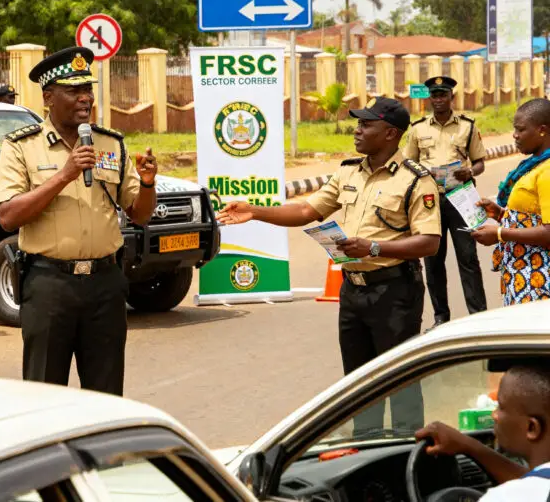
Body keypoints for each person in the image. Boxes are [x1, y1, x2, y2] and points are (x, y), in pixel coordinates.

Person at [218, 97, 441, 433]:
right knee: (358, 383)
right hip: (353, 291)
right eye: (358, 123)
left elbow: (430, 242)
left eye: (367, 124)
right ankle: (366, 457)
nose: (357, 130)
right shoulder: (348, 171)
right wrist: (256, 211)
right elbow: (308, 211)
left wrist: (375, 247)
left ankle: (407, 455)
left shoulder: (415, 180)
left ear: (390, 133)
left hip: (395, 291)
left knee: (399, 381)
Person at [0, 46, 159, 396]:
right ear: (48, 98)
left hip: (105, 285)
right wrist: (65, 174)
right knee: (45, 393)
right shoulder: (20, 147)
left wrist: (147, 184)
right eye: (74, 91)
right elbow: (9, 216)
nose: (85, 98)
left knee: (106, 393)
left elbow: (140, 214)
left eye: (88, 90)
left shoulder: (110, 144)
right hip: (49, 285)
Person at [403, 76, 488, 329]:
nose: (438, 99)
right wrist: (422, 173)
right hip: (429, 201)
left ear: (452, 97)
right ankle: (441, 317)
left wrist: (470, 172)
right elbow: (408, 162)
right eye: (434, 95)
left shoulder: (467, 126)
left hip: (460, 197)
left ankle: (478, 316)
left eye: (443, 94)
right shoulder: (417, 129)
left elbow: (480, 161)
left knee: (468, 258)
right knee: (433, 259)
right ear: (429, 98)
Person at [415, 361, 550, 501]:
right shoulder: (536, 488)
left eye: (500, 407)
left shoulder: (503, 497)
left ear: (532, 428)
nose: (494, 415)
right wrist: (468, 446)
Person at [471, 98, 550, 305]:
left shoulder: (548, 171)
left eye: (520, 129)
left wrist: (499, 234)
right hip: (523, 272)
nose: (515, 135)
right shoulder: (534, 166)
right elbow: (533, 216)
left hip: (539, 277)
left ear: (542, 130)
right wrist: (499, 214)